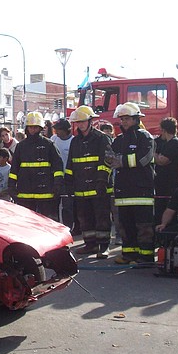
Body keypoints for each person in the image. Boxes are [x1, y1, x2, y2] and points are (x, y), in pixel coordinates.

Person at [105, 102, 156, 264]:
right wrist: (109, 160)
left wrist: (121, 161)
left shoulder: (144, 137)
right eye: (122, 119)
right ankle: (129, 254)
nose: (124, 122)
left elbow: (144, 158)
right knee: (126, 226)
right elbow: (109, 159)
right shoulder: (119, 140)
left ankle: (146, 257)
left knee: (144, 226)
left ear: (136, 119)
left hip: (141, 191)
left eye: (127, 118)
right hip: (123, 191)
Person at [65, 106, 112, 258]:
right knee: (84, 218)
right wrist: (69, 183)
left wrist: (102, 182)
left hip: (99, 187)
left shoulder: (101, 138)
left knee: (102, 218)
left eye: (83, 121)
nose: (80, 125)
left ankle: (104, 246)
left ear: (90, 121)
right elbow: (71, 164)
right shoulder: (75, 141)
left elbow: (106, 162)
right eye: (78, 122)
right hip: (81, 188)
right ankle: (90, 244)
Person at [9, 112, 63, 220]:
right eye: (31, 127)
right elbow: (14, 169)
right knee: (27, 224)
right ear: (27, 128)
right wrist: (11, 186)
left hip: (46, 194)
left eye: (35, 127)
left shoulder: (49, 145)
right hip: (25, 194)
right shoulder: (21, 147)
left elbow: (58, 167)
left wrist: (58, 184)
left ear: (40, 128)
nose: (33, 130)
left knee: (48, 223)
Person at [154, 117, 178, 226]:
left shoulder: (175, 143)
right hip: (161, 185)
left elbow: (162, 161)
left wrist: (153, 153)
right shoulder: (165, 143)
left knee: (170, 213)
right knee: (159, 212)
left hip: (171, 185)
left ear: (164, 130)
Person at [51, 118, 76, 233]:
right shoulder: (53, 139)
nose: (57, 132)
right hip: (55, 178)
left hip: (68, 178)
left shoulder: (73, 141)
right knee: (54, 203)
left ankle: (69, 228)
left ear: (66, 130)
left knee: (68, 206)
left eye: (59, 130)